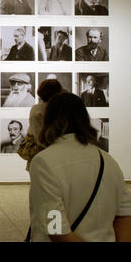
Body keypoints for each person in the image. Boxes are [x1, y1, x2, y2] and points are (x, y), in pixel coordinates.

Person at [29, 92, 131, 242]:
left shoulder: (44, 161)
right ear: (84, 119)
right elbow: (124, 213)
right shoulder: (107, 159)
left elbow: (56, 228)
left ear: (49, 120)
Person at [24, 79, 63, 171]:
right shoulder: (60, 108)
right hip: (53, 153)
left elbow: (37, 133)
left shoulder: (37, 108)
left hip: (40, 152)